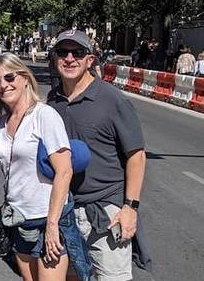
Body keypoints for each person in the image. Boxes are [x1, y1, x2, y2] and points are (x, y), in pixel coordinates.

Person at [46, 29, 149, 281]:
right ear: (54, 57)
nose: (69, 58)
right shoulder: (52, 100)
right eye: (62, 52)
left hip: (105, 212)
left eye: (77, 53)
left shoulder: (112, 100)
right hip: (65, 211)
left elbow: (136, 155)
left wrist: (130, 208)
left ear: (89, 60)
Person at [0, 53, 89, 281]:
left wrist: (52, 224)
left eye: (9, 77)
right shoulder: (0, 124)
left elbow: (64, 171)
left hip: (48, 218)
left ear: (24, 78)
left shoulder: (44, 115)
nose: (3, 85)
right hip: (19, 220)